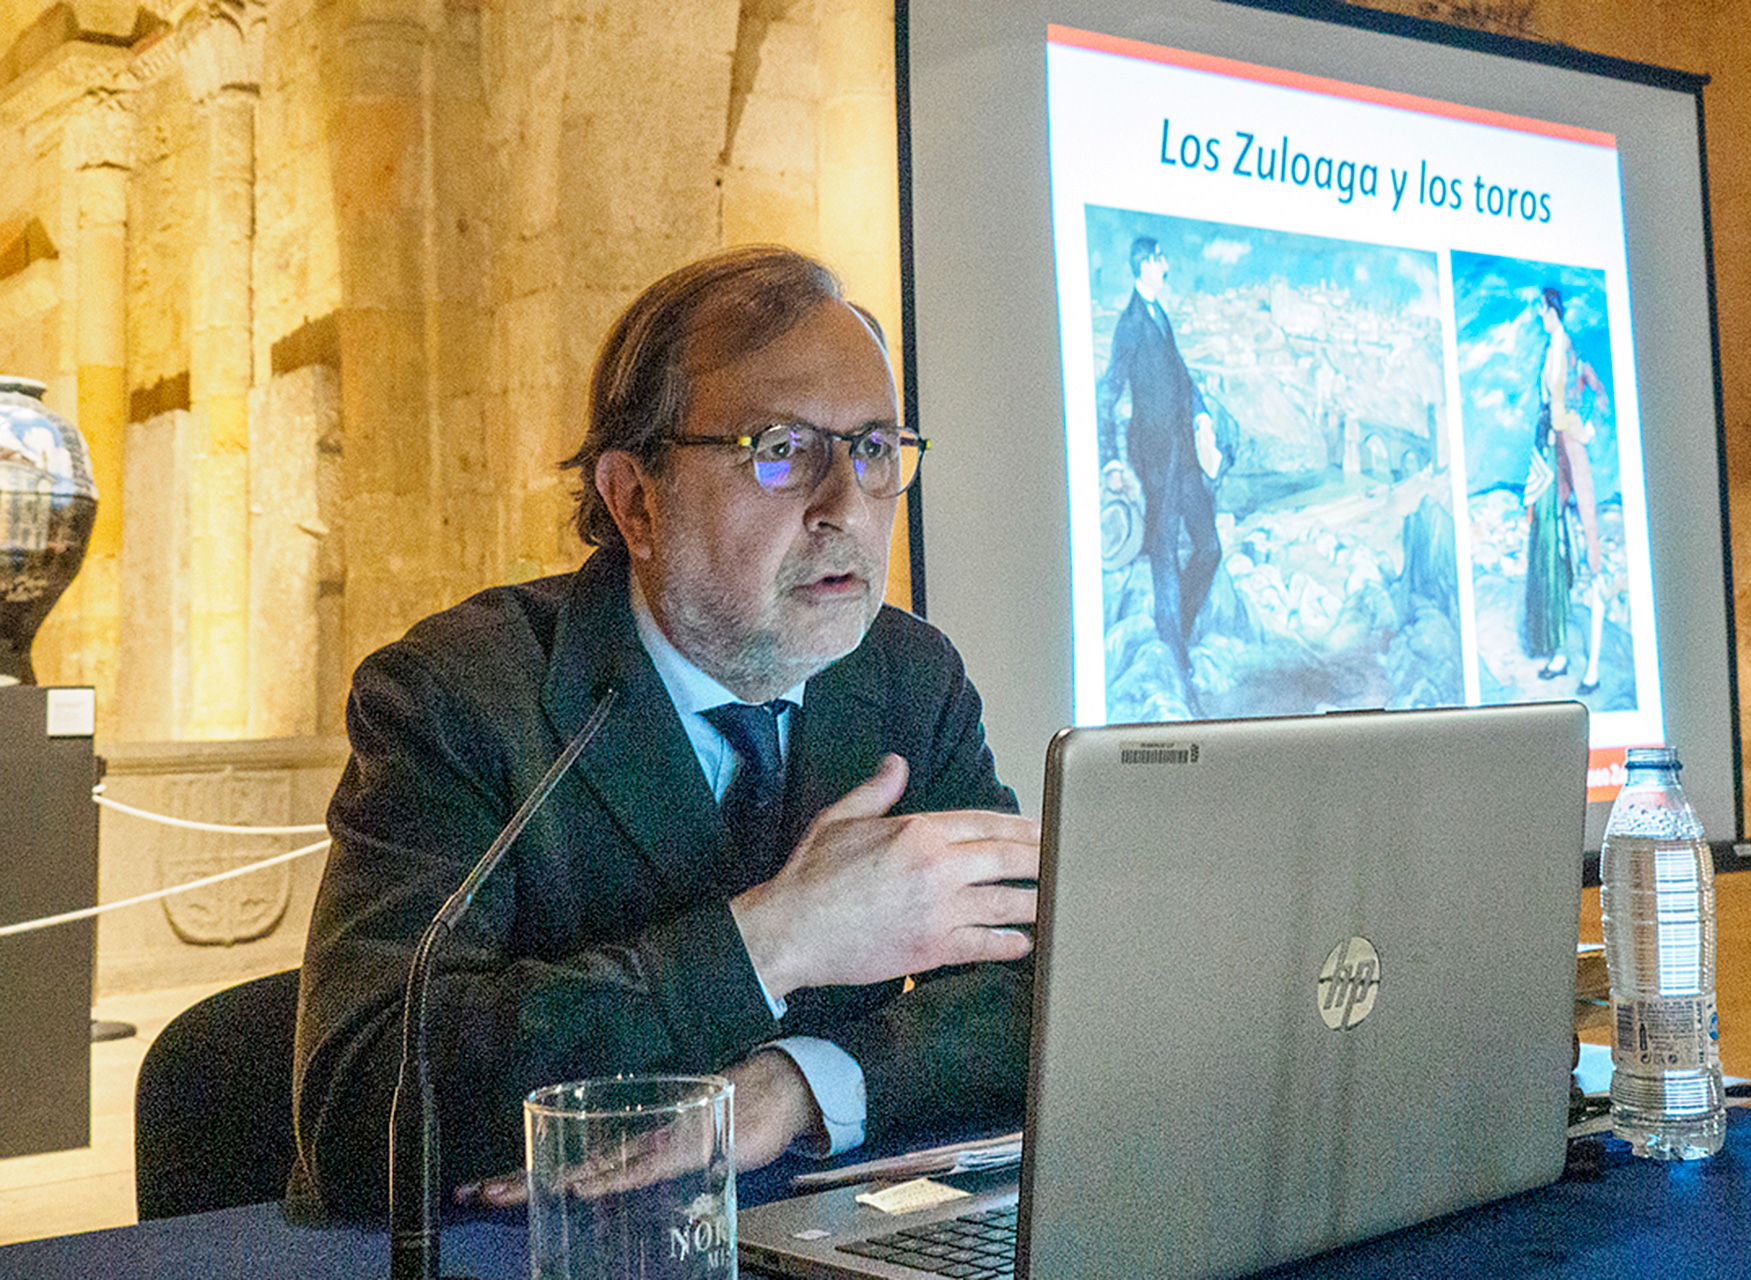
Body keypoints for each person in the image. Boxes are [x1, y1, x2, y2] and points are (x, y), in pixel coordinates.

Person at [291, 246, 1041, 1219]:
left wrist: (797, 1081)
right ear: (636, 500)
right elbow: (362, 1107)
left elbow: (1034, 997)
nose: (845, 505)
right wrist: (773, 940)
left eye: (872, 449)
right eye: (780, 448)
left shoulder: (907, 678)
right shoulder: (459, 695)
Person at [1095, 236, 1221, 716]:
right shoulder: (1130, 324)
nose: (1167, 266)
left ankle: (1176, 631)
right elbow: (1108, 395)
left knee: (1209, 547)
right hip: (1153, 457)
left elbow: (1183, 380)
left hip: (1185, 455)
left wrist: (1203, 415)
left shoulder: (1160, 316)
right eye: (1161, 259)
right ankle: (1175, 656)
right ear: (1145, 264)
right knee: (1164, 552)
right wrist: (1110, 461)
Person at [1522, 286, 1608, 694]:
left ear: (1551, 309)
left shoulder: (1569, 350)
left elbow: (1597, 393)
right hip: (1552, 452)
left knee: (1589, 545)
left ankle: (1592, 666)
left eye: (1542, 308)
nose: (1539, 314)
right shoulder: (1549, 350)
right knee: (1554, 546)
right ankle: (1559, 649)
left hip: (1571, 448)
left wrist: (1584, 427)